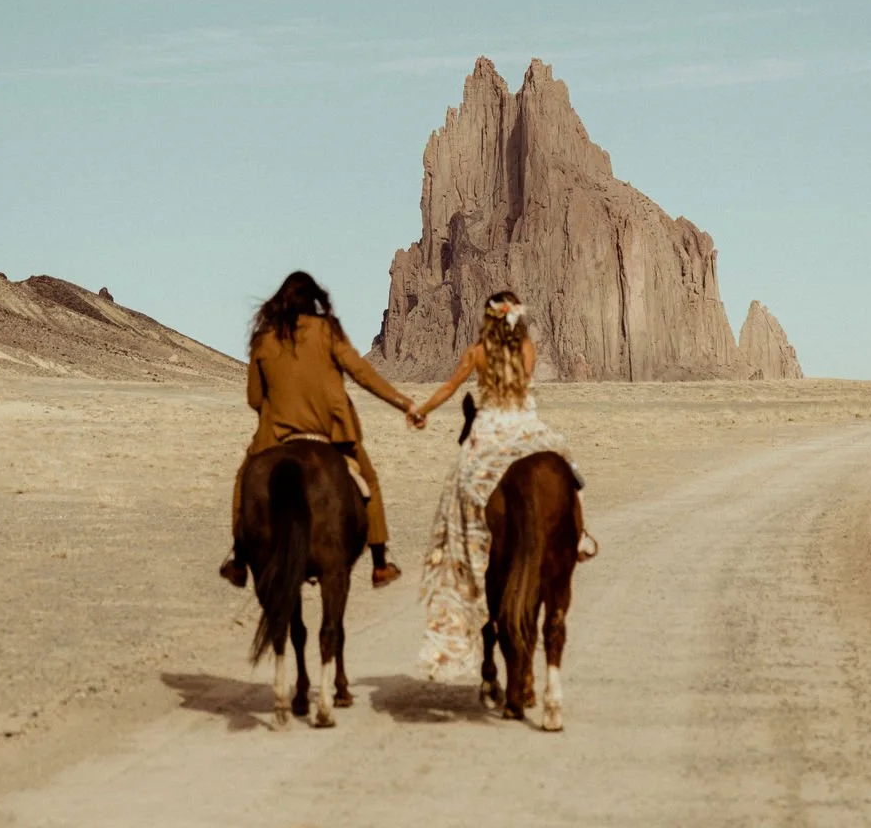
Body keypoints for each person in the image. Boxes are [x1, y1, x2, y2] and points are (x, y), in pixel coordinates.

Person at [410, 290, 596, 681]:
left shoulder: (477, 353)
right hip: (525, 425)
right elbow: (523, 383)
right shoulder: (527, 348)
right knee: (567, 469)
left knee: (461, 487)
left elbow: (449, 389)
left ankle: (461, 549)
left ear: (488, 319)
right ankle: (580, 535)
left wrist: (421, 410)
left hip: (490, 428)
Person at [220, 271, 416, 590]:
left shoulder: (264, 338)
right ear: (314, 301)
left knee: (245, 480)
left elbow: (255, 398)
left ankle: (239, 561)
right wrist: (404, 403)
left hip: (275, 435)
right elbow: (362, 373)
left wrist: (278, 409)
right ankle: (380, 563)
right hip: (332, 435)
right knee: (368, 480)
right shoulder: (328, 331)